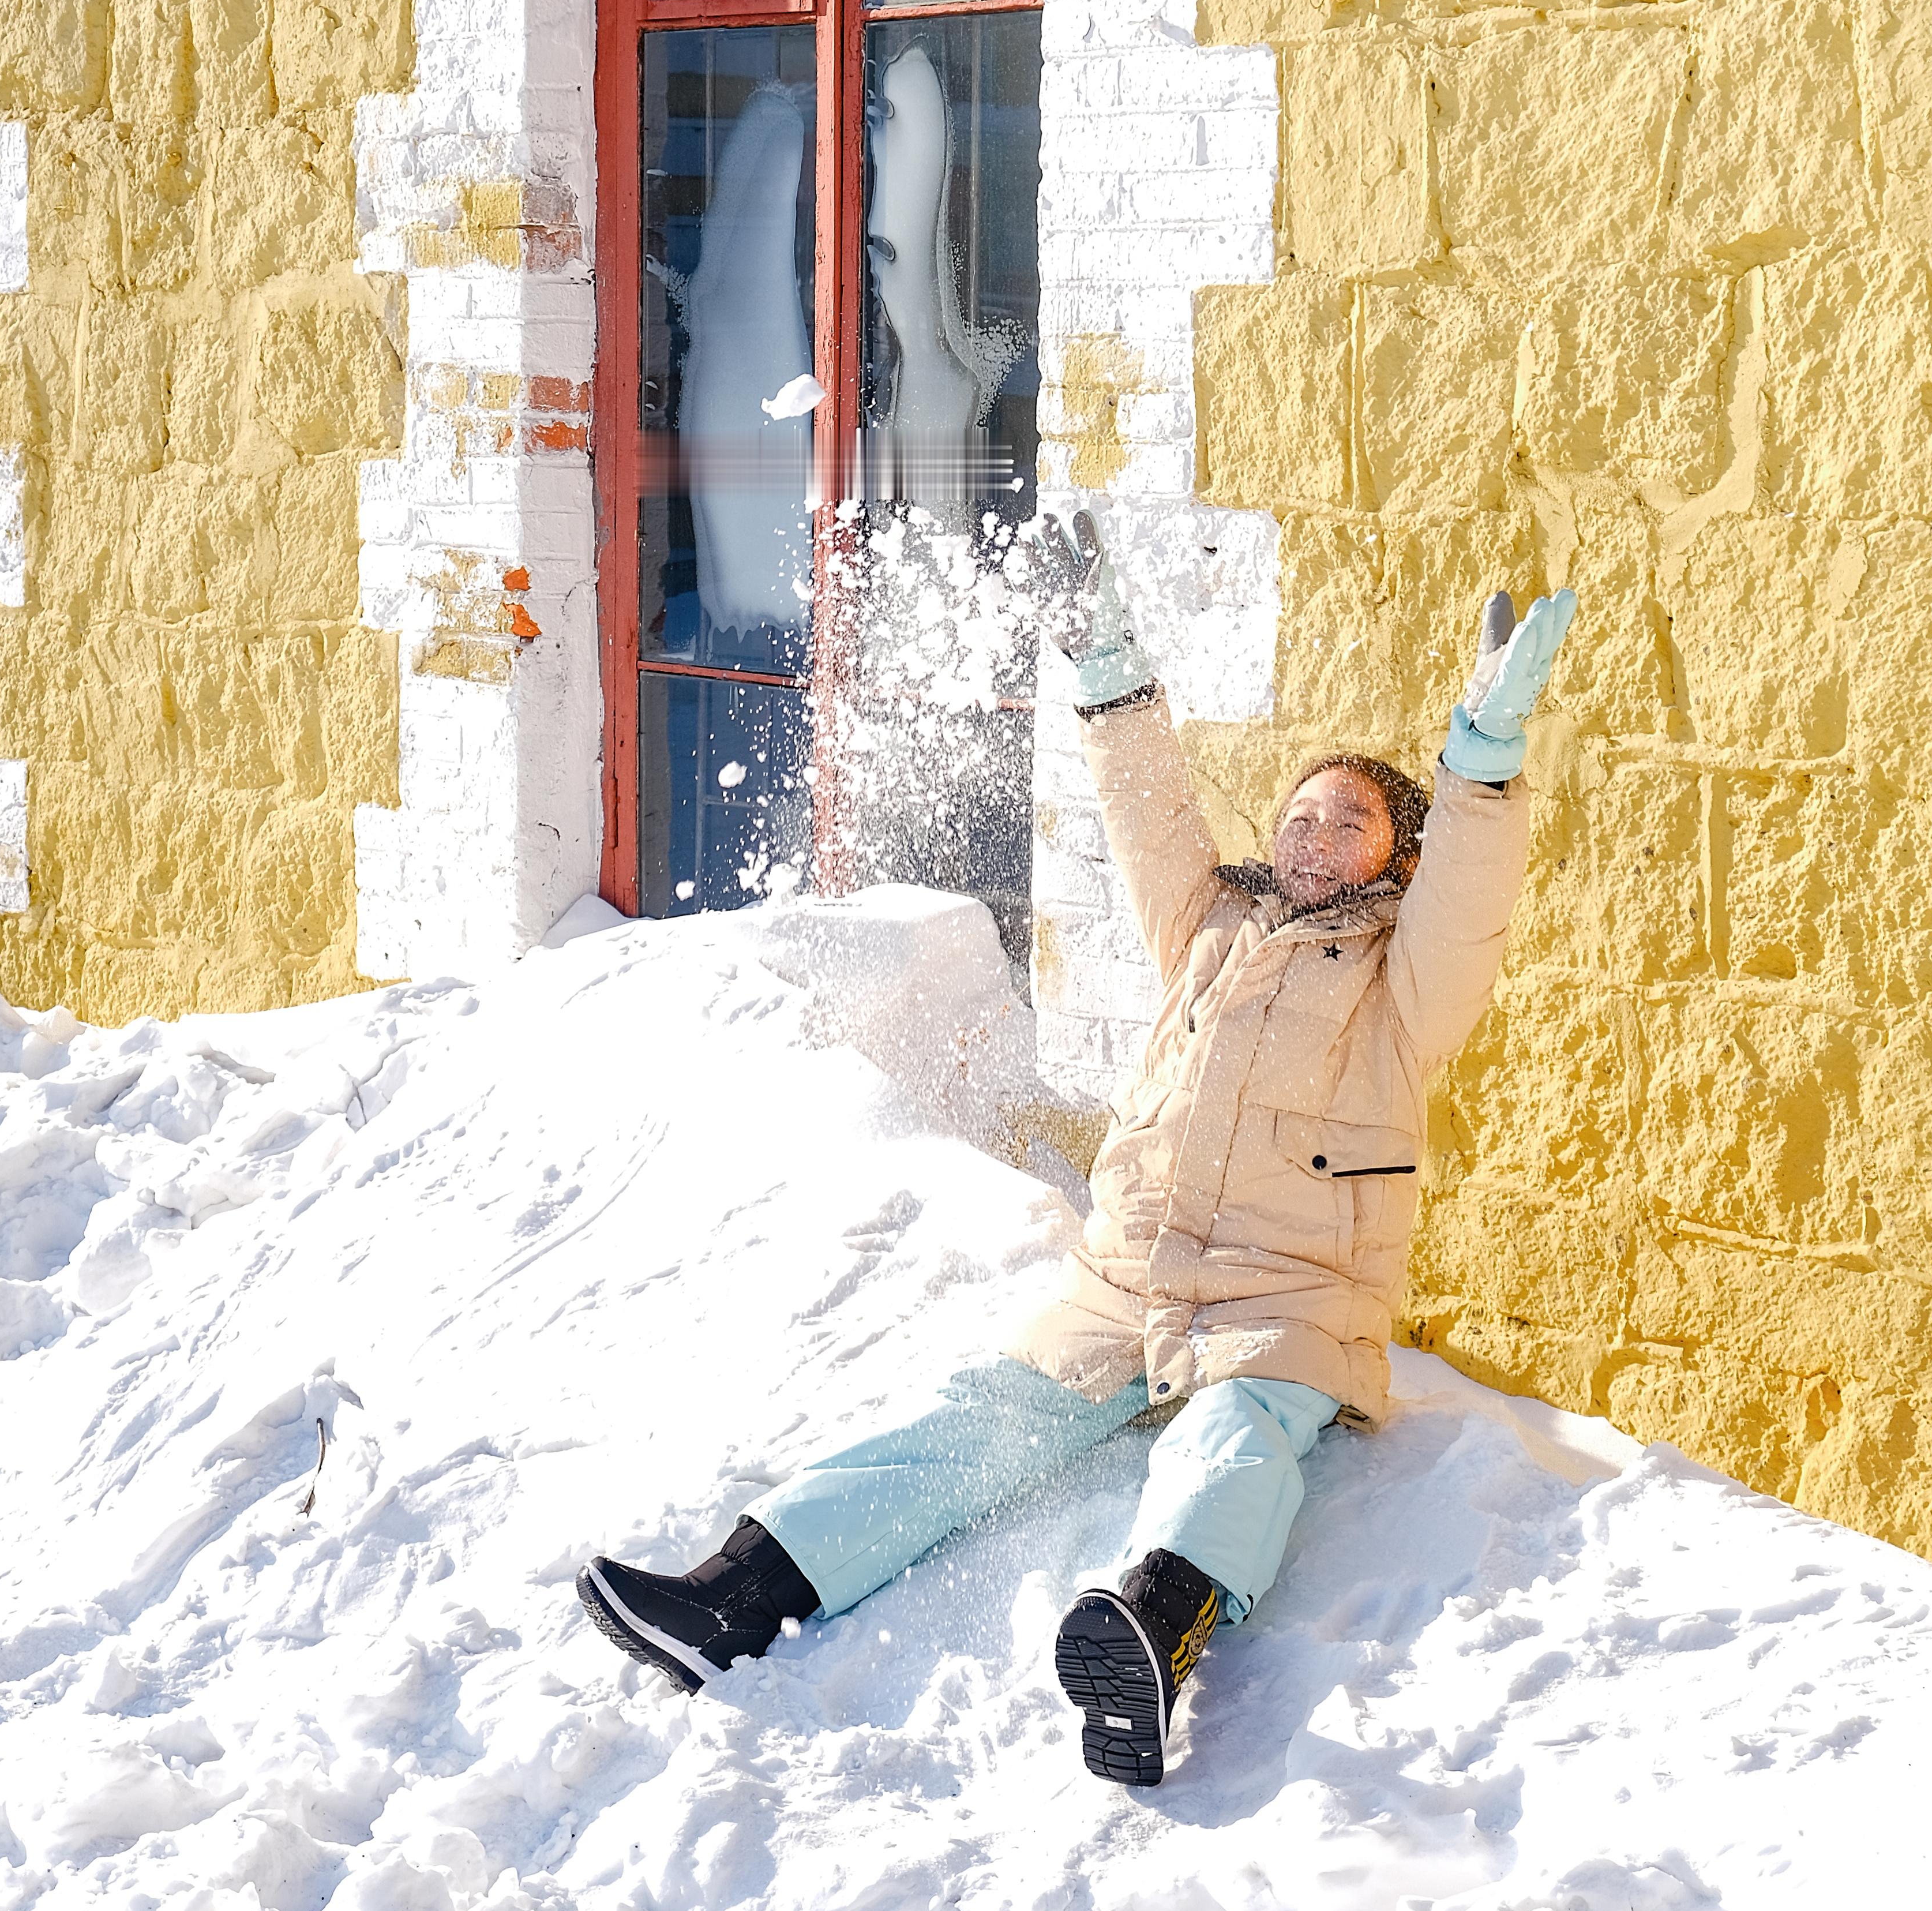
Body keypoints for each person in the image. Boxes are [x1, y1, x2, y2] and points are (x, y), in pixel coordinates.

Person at [581, 512, 1577, 1789]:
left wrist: (1482, 759)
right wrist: (1107, 668)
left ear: (1397, 856)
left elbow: (1472, 903)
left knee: (1237, 1445)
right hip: (1129, 1273)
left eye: (1349, 825)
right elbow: (1150, 811)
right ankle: (730, 1594)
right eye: (1302, 815)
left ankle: (1150, 1639)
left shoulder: (1405, 983)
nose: (1314, 837)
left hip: (1289, 1294)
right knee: (968, 1422)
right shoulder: (1208, 927)